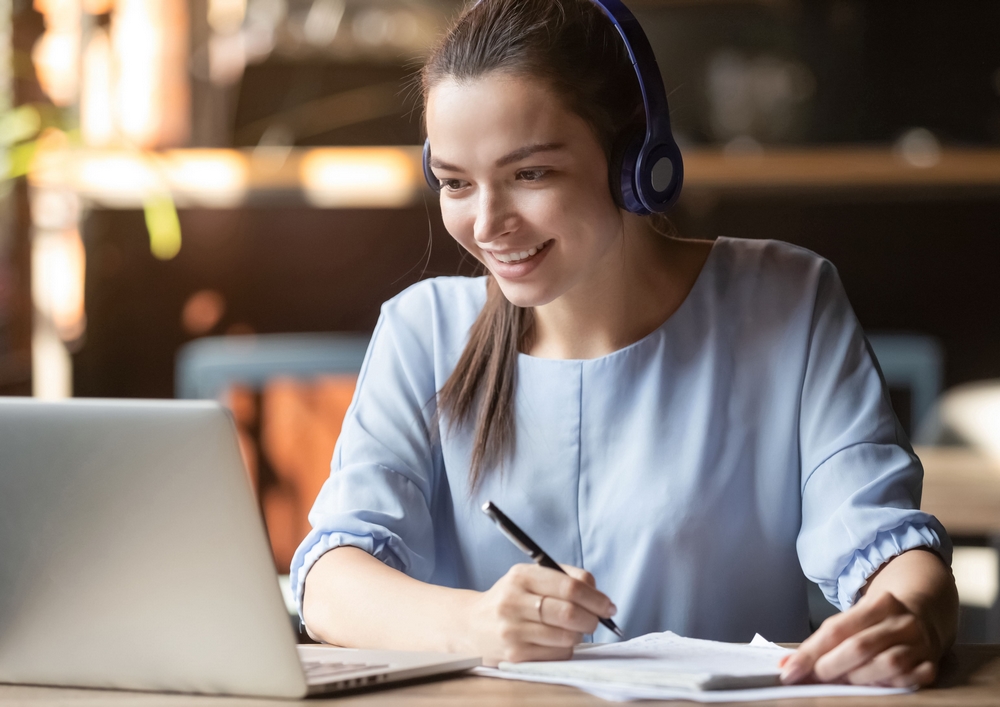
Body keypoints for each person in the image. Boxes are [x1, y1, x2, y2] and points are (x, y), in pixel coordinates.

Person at [292, 0, 959, 687]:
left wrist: (911, 612)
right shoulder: (422, 329)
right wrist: (478, 624)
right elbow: (329, 581)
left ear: (635, 160)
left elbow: (881, 539)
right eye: (457, 182)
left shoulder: (787, 300)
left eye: (530, 174)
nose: (487, 224)